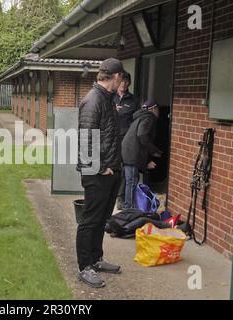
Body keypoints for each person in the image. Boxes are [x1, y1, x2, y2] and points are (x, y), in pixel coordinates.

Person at [76, 58, 124, 288]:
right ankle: (85, 267)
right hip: (97, 174)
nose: (121, 82)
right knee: (90, 220)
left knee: (101, 219)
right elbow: (86, 140)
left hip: (110, 171)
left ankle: (95, 259)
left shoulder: (107, 99)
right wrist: (101, 167)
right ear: (116, 77)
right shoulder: (93, 100)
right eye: (121, 78)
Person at [121, 99, 162, 210]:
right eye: (158, 109)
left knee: (130, 181)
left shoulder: (140, 116)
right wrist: (154, 151)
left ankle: (129, 207)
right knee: (131, 181)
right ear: (154, 108)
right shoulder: (149, 117)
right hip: (132, 154)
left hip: (128, 151)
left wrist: (147, 160)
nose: (158, 112)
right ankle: (128, 209)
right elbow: (142, 136)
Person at [113, 72, 139, 210]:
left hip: (127, 141)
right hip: (111, 140)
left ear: (129, 83)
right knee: (112, 169)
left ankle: (121, 198)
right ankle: (112, 196)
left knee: (125, 171)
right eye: (121, 81)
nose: (123, 84)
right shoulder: (110, 97)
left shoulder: (134, 101)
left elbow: (137, 122)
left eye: (126, 81)